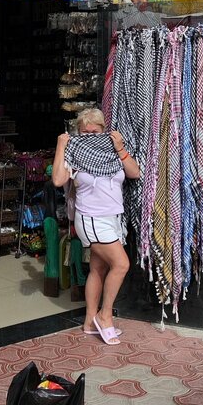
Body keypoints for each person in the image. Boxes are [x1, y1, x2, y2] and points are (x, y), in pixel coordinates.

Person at [52, 108, 140, 346]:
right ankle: (105, 315)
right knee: (121, 264)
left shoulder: (112, 150)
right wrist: (61, 145)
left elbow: (134, 172)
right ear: (78, 133)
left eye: (95, 131)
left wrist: (120, 147)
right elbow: (58, 180)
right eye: (84, 131)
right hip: (90, 218)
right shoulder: (75, 152)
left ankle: (90, 321)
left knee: (98, 269)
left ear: (103, 130)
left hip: (112, 218)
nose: (90, 135)